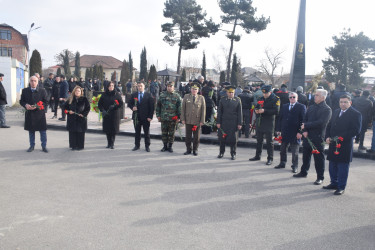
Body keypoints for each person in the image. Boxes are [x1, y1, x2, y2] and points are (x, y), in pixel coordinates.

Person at [324, 95, 362, 195]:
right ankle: (333, 183)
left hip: (344, 144)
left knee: (342, 167)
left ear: (350, 103)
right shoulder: (336, 111)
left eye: (345, 102)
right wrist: (327, 137)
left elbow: (355, 130)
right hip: (332, 143)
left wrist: (339, 137)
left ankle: (341, 186)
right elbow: (329, 125)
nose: (343, 104)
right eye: (341, 102)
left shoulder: (355, 114)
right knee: (332, 165)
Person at [293, 89, 332, 185]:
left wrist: (306, 126)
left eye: (317, 95)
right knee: (306, 156)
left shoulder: (327, 109)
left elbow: (321, 123)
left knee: (319, 158)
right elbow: (305, 120)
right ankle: (303, 172)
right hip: (307, 136)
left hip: (318, 137)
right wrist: (304, 130)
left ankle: (320, 177)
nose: (315, 96)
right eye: (315, 95)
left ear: (323, 97)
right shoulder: (311, 107)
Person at [275, 92, 306, 173]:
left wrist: (300, 132)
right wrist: (278, 129)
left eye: (293, 97)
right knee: (282, 149)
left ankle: (294, 166)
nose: (292, 98)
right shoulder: (285, 106)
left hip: (295, 132)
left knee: (295, 151)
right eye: (290, 97)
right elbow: (280, 118)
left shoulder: (301, 107)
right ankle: (282, 162)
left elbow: (303, 120)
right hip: (285, 131)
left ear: (297, 98)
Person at [249, 85, 280, 165]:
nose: (264, 95)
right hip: (260, 122)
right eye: (263, 93)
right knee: (259, 140)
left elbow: (276, 111)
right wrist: (256, 110)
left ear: (270, 92)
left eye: (266, 93)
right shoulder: (261, 98)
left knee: (269, 141)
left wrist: (264, 111)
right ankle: (257, 156)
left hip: (269, 122)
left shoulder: (276, 99)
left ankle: (270, 158)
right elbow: (256, 106)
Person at [20, 76, 48, 152]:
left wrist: (37, 106)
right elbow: (21, 101)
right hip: (30, 114)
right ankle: (32, 146)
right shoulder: (25, 91)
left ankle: (44, 146)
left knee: (42, 131)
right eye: (31, 81)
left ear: (37, 82)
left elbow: (46, 102)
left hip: (40, 115)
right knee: (31, 131)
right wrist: (26, 105)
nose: (33, 82)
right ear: (29, 82)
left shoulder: (42, 91)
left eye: (35, 81)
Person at [217, 85, 242, 160]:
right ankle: (221, 152)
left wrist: (239, 123)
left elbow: (240, 113)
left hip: (233, 122)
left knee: (233, 139)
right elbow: (220, 112)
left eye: (232, 92)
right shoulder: (222, 100)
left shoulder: (237, 100)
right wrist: (218, 122)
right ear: (226, 93)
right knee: (222, 138)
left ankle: (233, 153)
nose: (231, 94)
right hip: (224, 122)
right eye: (229, 92)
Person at [128, 82, 154, 152]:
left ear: (144, 87)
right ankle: (137, 145)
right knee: (137, 132)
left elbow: (152, 107)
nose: (139, 87)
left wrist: (150, 117)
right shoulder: (134, 95)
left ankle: (147, 146)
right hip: (137, 117)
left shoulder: (148, 95)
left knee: (146, 132)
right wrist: (132, 107)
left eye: (141, 86)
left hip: (146, 118)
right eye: (138, 86)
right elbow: (129, 103)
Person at [156, 81, 182, 152]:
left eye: (171, 86)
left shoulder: (177, 96)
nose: (169, 88)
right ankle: (164, 146)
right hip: (164, 118)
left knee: (171, 133)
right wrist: (158, 116)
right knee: (164, 133)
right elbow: (158, 106)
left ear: (173, 87)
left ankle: (170, 146)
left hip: (173, 119)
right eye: (168, 86)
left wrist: (179, 117)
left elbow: (180, 107)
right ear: (166, 87)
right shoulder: (162, 95)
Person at [181, 83, 206, 155]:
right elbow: (183, 108)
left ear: (198, 90)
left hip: (197, 121)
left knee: (196, 137)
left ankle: (195, 149)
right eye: (192, 89)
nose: (194, 90)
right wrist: (183, 119)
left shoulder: (201, 98)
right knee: (188, 136)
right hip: (188, 120)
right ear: (190, 89)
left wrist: (202, 121)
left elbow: (203, 110)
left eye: (195, 89)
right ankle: (188, 149)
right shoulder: (186, 96)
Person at [98, 81, 124, 149]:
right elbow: (100, 104)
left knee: (113, 130)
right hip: (106, 114)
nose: (111, 87)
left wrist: (115, 106)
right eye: (110, 86)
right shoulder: (104, 94)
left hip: (114, 114)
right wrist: (102, 110)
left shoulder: (117, 94)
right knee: (107, 129)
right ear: (107, 87)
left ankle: (112, 143)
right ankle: (108, 143)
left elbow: (121, 103)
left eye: (112, 85)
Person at [64, 86, 91, 150]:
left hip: (81, 118)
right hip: (72, 118)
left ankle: (80, 146)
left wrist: (84, 114)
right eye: (76, 91)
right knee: (72, 133)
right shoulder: (70, 99)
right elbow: (65, 107)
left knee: (80, 133)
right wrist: (68, 112)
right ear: (74, 91)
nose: (77, 92)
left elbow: (88, 108)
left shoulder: (84, 99)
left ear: (81, 92)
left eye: (79, 91)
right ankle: (73, 145)